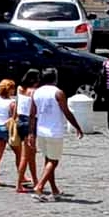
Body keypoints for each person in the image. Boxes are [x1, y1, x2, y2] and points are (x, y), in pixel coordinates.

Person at [30, 70, 83, 198]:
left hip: (41, 130)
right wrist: (77, 127)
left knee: (48, 160)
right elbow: (66, 112)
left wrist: (31, 133)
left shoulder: (36, 93)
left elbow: (32, 114)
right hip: (54, 131)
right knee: (54, 161)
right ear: (55, 79)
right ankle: (40, 186)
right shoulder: (58, 93)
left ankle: (54, 190)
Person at [13, 71, 41, 193]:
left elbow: (16, 105)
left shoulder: (20, 88)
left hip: (20, 120)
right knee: (26, 155)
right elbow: (33, 111)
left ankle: (35, 180)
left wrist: (14, 119)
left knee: (31, 154)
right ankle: (19, 183)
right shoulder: (33, 92)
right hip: (30, 122)